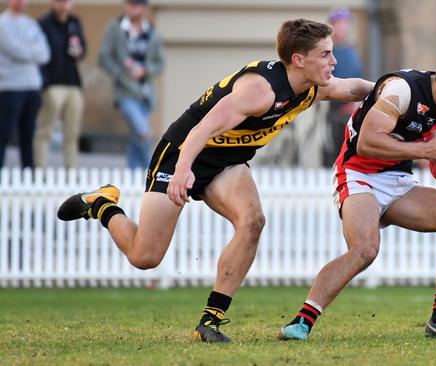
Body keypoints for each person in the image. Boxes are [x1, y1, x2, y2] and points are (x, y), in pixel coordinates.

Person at [57, 19, 374, 343]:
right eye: (325, 54)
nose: (333, 61)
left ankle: (210, 321)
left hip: (225, 162)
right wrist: (183, 170)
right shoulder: (259, 91)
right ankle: (102, 205)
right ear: (298, 60)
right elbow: (201, 130)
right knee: (145, 256)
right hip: (182, 153)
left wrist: (392, 90)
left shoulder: (311, 88)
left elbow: (351, 88)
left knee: (252, 221)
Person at [279, 40, 436, 341]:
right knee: (365, 249)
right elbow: (367, 142)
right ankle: (301, 322)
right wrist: (427, 150)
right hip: (358, 174)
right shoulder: (401, 90)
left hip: (398, 179)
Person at [98, 0, 164, 169]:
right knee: (143, 133)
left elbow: (160, 63)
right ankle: (152, 171)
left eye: (139, 4)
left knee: (137, 137)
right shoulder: (115, 28)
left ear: (145, 7)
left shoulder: (151, 32)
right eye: (132, 4)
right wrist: (121, 73)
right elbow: (104, 58)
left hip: (145, 93)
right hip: (125, 92)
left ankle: (133, 176)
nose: (135, 8)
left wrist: (145, 70)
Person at [34, 0, 86, 168]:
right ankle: (40, 171)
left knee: (72, 133)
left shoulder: (74, 22)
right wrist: (45, 83)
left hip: (73, 84)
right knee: (45, 130)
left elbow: (83, 49)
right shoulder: (43, 24)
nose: (63, 5)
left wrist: (79, 50)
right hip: (53, 84)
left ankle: (71, 172)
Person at [0, 0, 50, 169]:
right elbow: (15, 50)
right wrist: (32, 51)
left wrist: (30, 51)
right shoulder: (3, 24)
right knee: (4, 133)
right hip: (10, 87)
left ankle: (28, 173)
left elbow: (44, 53)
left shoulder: (30, 24)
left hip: (32, 86)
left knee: (28, 135)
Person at [322, 7, 364, 166]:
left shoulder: (351, 51)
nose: (342, 27)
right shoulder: (329, 51)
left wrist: (354, 103)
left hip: (352, 108)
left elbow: (357, 76)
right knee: (335, 149)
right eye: (338, 24)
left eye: (344, 24)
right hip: (335, 108)